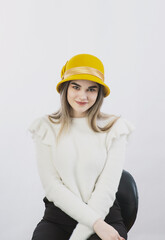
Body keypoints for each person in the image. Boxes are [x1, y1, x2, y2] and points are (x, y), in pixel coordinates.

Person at [28, 53, 135, 240]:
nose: (82, 96)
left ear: (99, 93)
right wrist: (94, 224)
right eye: (75, 87)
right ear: (65, 88)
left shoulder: (115, 128)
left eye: (91, 89)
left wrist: (89, 231)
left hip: (105, 216)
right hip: (59, 217)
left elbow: (107, 190)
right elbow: (53, 187)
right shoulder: (44, 128)